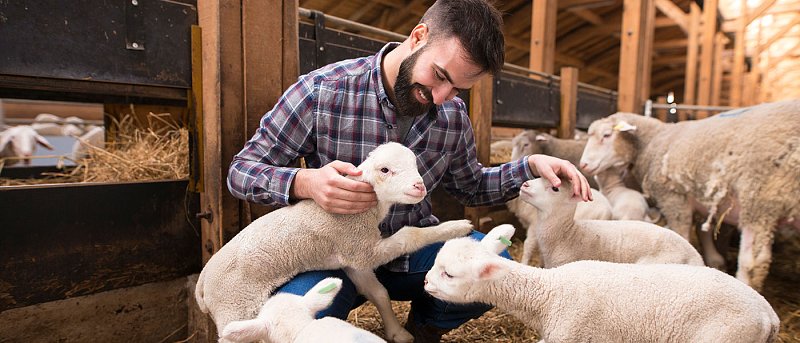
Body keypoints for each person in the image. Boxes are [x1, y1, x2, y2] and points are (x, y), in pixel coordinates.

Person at [227, 0, 592, 341]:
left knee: (493, 266)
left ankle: (422, 329)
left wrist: (529, 166)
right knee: (300, 323)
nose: (440, 97)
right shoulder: (324, 91)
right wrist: (305, 182)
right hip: (332, 257)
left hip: (409, 251)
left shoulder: (451, 116)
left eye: (457, 88)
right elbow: (242, 171)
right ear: (419, 36)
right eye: (438, 76)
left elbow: (471, 186)